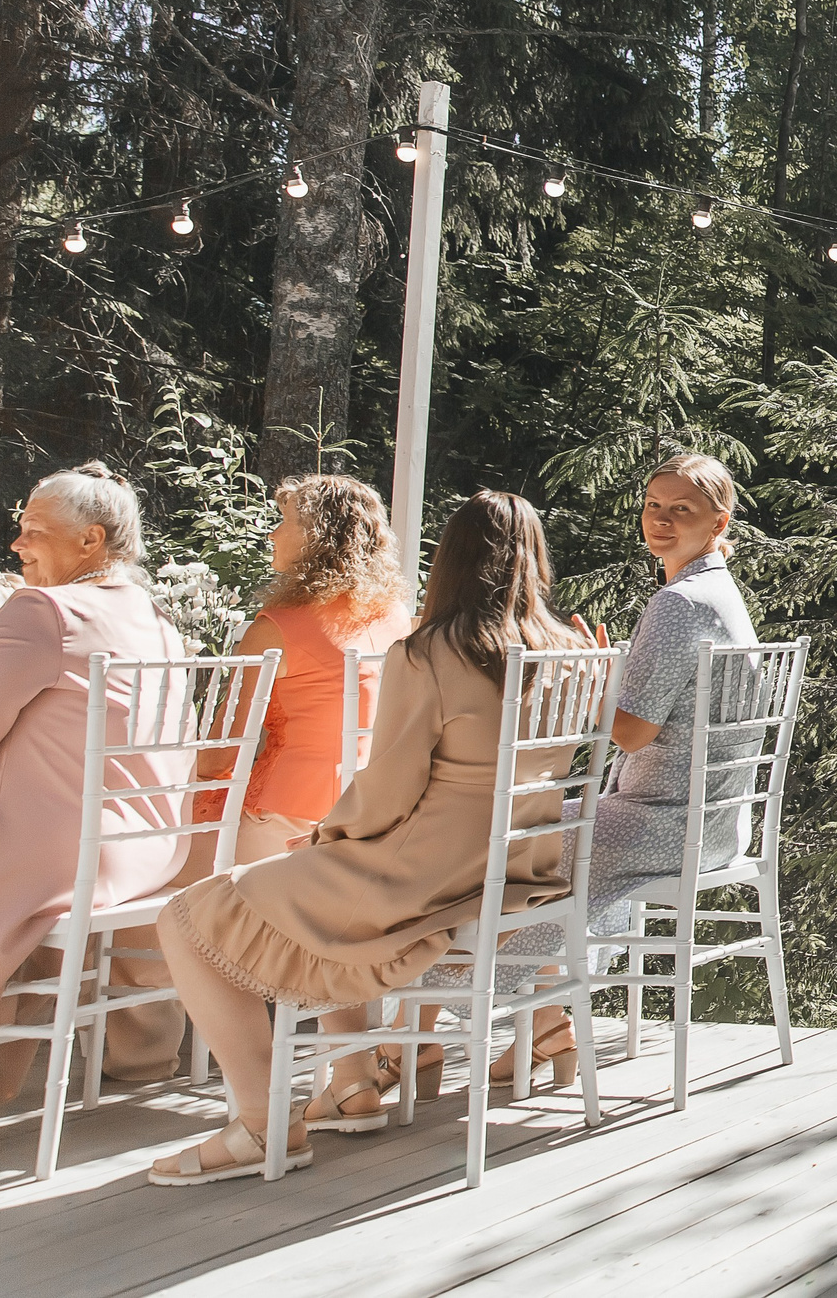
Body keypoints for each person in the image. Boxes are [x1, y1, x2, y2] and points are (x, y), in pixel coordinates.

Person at [149, 491, 586, 1185]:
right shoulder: (570, 652)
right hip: (513, 875)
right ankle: (341, 1080)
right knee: (257, 907)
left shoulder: (430, 652)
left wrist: (328, 837)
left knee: (182, 919)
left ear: (449, 560)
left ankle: (263, 1124)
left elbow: (387, 789)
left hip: (419, 880)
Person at [480, 453, 757, 1087]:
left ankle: (429, 1027)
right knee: (548, 832)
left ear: (720, 520)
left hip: (664, 822)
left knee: (513, 841)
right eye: (654, 505)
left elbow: (632, 732)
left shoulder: (679, 603)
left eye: (681, 510)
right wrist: (610, 667)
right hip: (714, 822)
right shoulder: (718, 594)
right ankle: (548, 1024)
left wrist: (591, 676)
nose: (661, 520)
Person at [0, 466, 192, 1108]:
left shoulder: (45, 610)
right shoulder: (152, 613)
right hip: (152, 846)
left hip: (65, 854)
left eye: (33, 531)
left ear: (90, 540)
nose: (17, 544)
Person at [200, 476, 414, 862]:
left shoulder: (277, 628)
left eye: (284, 520)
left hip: (286, 823)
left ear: (318, 536)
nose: (272, 534)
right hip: (372, 816)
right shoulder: (394, 616)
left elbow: (220, 757)